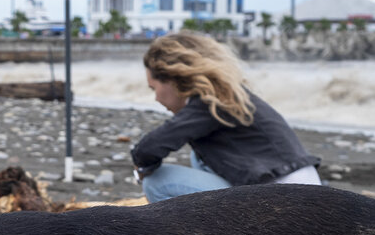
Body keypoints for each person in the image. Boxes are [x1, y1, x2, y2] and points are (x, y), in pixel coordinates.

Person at [132, 31, 321, 202]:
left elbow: (149, 148)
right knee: (199, 156)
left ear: (173, 78)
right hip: (299, 194)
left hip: (284, 203)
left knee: (157, 182)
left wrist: (142, 170)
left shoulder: (209, 104)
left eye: (154, 88)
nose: (156, 98)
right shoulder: (225, 96)